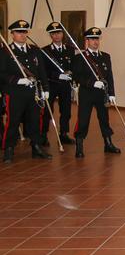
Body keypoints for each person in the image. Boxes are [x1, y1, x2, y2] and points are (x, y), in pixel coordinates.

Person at [0, 20, 51, 163]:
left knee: (35, 120)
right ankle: (9, 148)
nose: (22, 35)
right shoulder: (5, 51)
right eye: (19, 32)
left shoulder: (34, 50)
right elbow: (1, 73)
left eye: (24, 32)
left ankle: (36, 147)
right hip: (15, 92)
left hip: (33, 92)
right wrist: (18, 80)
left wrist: (45, 88)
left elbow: (41, 71)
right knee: (13, 121)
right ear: (12, 34)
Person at [72, 27, 121, 158]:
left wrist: (112, 93)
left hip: (102, 94)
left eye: (97, 39)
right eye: (92, 39)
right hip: (87, 93)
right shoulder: (80, 57)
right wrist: (92, 83)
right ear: (87, 41)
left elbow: (109, 76)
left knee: (104, 119)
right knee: (83, 120)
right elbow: (77, 76)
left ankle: (108, 143)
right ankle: (79, 145)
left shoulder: (105, 56)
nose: (95, 42)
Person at [41, 22, 75, 146]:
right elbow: (43, 71)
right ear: (50, 35)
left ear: (62, 34)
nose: (56, 35)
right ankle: (43, 135)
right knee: (47, 111)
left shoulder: (70, 49)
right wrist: (58, 75)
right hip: (51, 85)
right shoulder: (45, 51)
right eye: (53, 33)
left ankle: (64, 134)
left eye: (59, 33)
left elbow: (73, 66)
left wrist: (72, 75)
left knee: (66, 110)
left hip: (65, 85)